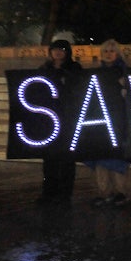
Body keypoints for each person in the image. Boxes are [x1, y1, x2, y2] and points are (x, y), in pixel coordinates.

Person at [36, 39, 82, 206]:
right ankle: (49, 191)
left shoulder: (74, 68)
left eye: (62, 49)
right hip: (49, 119)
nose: (58, 52)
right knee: (49, 159)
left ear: (67, 51)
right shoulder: (44, 69)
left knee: (67, 158)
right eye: (55, 49)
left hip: (68, 118)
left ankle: (65, 193)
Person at [88, 39, 131, 207]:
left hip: (118, 118)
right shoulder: (96, 73)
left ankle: (122, 192)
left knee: (117, 156)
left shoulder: (125, 72)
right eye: (105, 51)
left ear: (117, 53)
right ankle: (104, 191)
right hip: (100, 118)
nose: (108, 54)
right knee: (100, 154)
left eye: (112, 51)